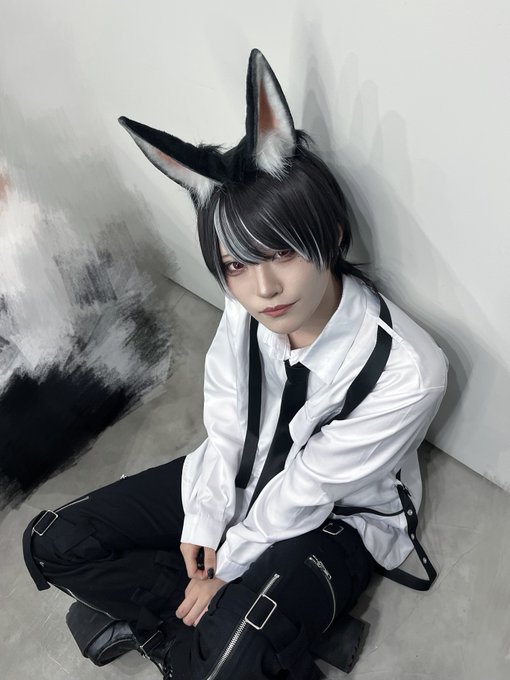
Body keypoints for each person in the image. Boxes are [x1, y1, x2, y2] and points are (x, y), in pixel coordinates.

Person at [22, 49, 448, 680]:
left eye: (282, 252)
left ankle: (216, 632)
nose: (264, 289)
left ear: (332, 233)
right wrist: (204, 516)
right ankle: (234, 631)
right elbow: (228, 422)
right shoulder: (244, 304)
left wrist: (228, 563)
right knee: (52, 543)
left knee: (226, 659)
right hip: (244, 470)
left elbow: (311, 488)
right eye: (237, 265)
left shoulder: (407, 370)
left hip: (341, 518)